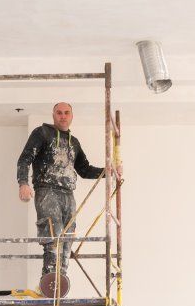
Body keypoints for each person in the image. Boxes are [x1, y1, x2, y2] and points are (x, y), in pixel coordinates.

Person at [16, 102, 119, 295]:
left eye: (66, 113)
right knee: (53, 237)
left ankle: (58, 285)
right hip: (47, 190)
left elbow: (84, 170)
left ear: (71, 116)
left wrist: (109, 172)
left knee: (67, 239)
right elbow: (25, 158)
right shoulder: (42, 133)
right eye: (59, 113)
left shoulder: (74, 143)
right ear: (53, 115)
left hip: (68, 193)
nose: (63, 116)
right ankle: (48, 283)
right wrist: (23, 183)